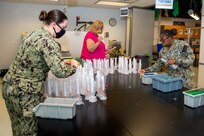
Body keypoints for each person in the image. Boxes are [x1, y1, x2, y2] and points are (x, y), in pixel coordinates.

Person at [2, 9, 79, 136]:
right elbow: (60, 72)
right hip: (25, 92)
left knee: (17, 127)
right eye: (63, 27)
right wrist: (74, 65)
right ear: (54, 25)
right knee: (29, 131)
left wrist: (61, 62)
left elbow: (35, 59)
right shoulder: (48, 41)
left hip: (9, 86)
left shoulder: (34, 33)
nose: (64, 31)